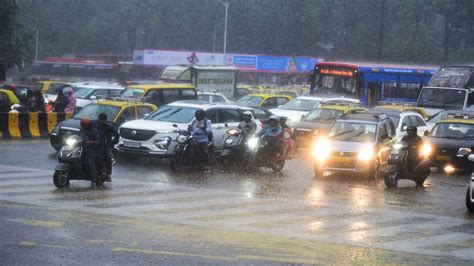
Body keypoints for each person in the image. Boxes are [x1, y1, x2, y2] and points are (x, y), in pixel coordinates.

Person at [79, 118, 102, 188]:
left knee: (90, 163)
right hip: (81, 148)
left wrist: (91, 142)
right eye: (83, 125)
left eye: (86, 125)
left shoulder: (94, 131)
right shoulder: (81, 130)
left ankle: (93, 181)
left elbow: (98, 141)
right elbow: (78, 137)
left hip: (91, 149)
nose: (84, 126)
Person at [97, 113, 119, 181]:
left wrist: (112, 143)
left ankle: (108, 174)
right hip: (96, 143)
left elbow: (117, 135)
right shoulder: (95, 125)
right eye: (101, 120)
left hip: (106, 145)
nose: (102, 122)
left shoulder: (109, 127)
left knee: (107, 157)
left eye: (103, 120)